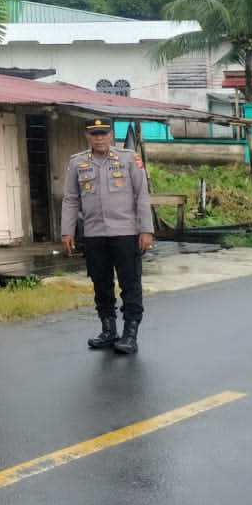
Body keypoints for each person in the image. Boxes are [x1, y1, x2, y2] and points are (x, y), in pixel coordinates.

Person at [60, 116, 154, 354]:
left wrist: (146, 230)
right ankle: (108, 329)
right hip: (94, 235)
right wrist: (67, 231)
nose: (99, 138)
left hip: (125, 233)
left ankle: (130, 333)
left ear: (111, 135)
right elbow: (71, 199)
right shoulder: (78, 162)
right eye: (94, 134)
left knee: (130, 284)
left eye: (103, 133)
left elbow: (141, 195)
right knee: (101, 283)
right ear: (87, 136)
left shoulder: (128, 159)